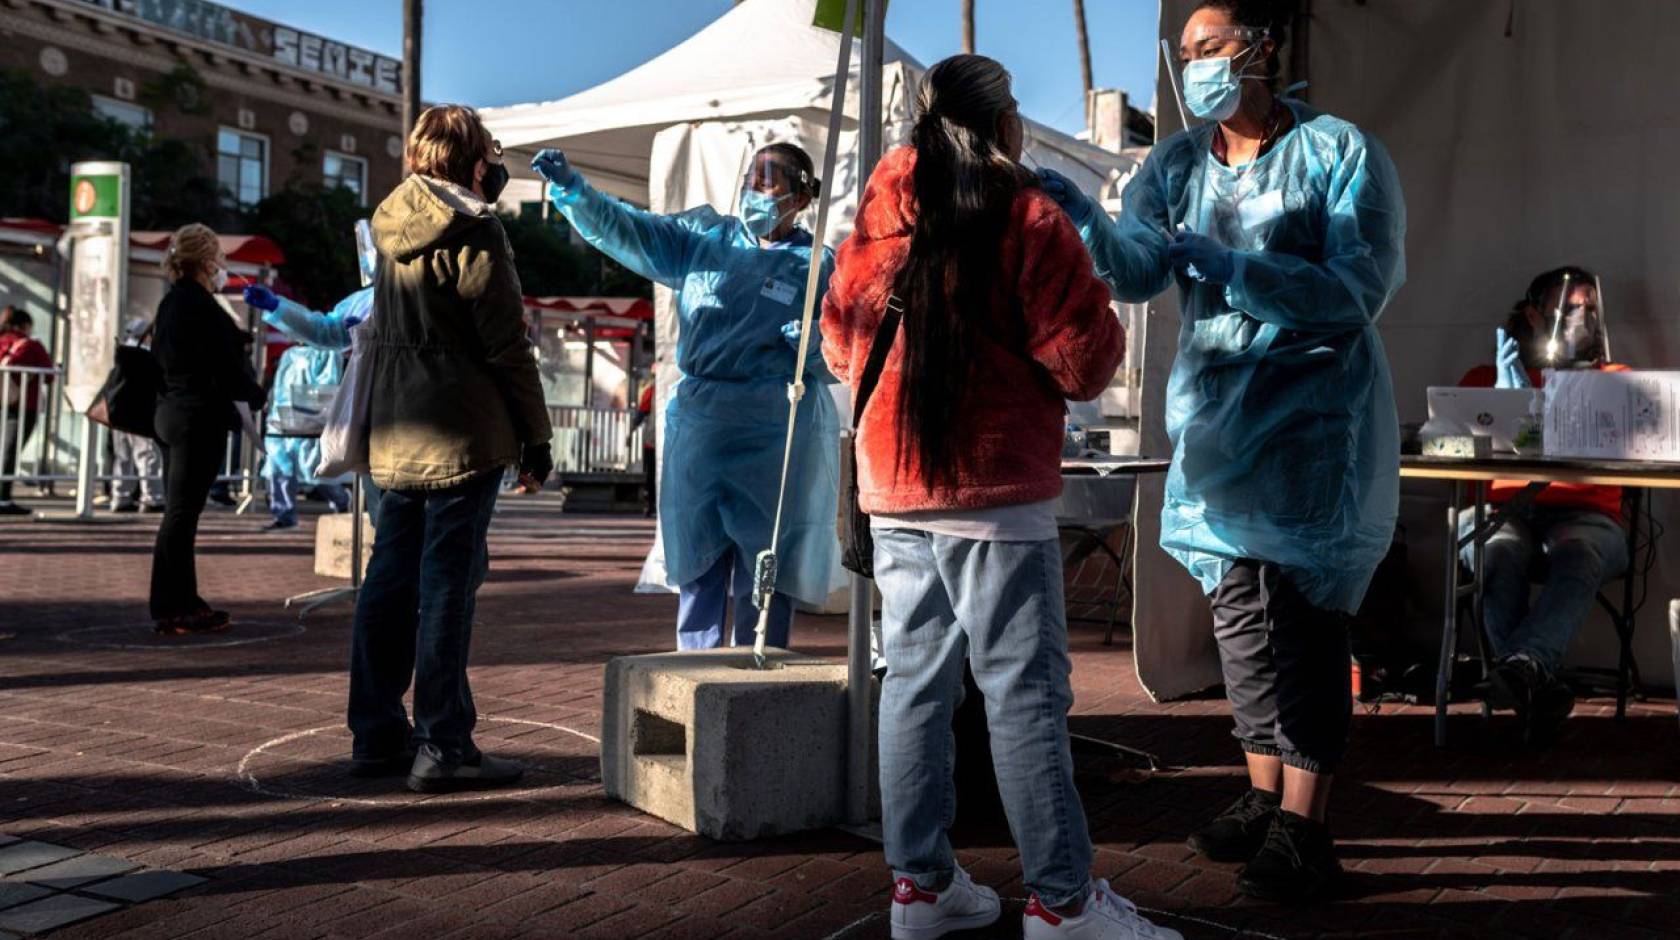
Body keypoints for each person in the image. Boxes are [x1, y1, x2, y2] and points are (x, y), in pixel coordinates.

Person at [1039, 0, 1406, 903]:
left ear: (1260, 48)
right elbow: (1137, 270)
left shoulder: (1338, 152)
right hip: (1216, 427)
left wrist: (1241, 267)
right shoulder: (1174, 164)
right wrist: (1087, 215)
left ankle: (1306, 826)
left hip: (1312, 425)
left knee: (1307, 623)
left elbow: (1360, 284)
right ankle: (1262, 792)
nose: (1192, 63)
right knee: (1238, 617)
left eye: (1208, 46)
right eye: (1184, 51)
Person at [824, 55, 1175, 940]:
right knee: (1022, 697)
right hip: (994, 490)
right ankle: (1062, 902)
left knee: (912, 685)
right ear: (1005, 122)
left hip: (895, 486)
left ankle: (921, 889)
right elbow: (1084, 361)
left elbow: (839, 345)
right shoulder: (1029, 217)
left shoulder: (877, 215)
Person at [532, 139, 842, 652]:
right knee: (699, 562)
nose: (755, 192)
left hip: (777, 429)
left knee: (764, 568)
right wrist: (574, 191)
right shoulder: (705, 240)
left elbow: (850, 341)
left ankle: (759, 673)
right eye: (751, 180)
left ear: (801, 197)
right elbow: (631, 229)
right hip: (703, 423)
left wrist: (812, 347)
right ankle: (694, 673)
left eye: (770, 183)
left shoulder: (816, 267)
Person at [349, 105, 552, 793]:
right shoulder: (476, 230)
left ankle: (375, 733)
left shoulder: (388, 224)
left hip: (396, 429)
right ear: (471, 161)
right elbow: (506, 346)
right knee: (446, 589)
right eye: (490, 153)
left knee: (388, 582)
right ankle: (444, 743)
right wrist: (538, 436)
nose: (495, 164)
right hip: (464, 432)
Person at [1459, 267, 1629, 743]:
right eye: (1570, 310)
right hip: (1504, 511)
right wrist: (1507, 399)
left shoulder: (1616, 380)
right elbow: (1450, 442)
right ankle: (1535, 681)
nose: (1584, 319)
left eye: (1591, 309)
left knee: (1579, 553)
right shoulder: (1484, 375)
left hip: (1589, 517)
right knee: (1496, 551)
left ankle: (1523, 668)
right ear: (1535, 316)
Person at [148, 224, 268, 634]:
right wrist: (257, 395)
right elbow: (227, 366)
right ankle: (171, 606)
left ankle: (183, 600)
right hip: (197, 417)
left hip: (169, 413)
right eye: (219, 257)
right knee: (181, 514)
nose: (223, 266)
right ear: (207, 262)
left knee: (180, 512)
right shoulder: (200, 305)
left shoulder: (170, 304)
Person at [242, 286, 367, 530]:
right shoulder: (291, 355)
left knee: (318, 470)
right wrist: (277, 308)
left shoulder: (327, 355)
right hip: (284, 419)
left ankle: (341, 500)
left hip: (315, 419)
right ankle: (284, 515)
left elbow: (329, 347)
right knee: (278, 467)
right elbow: (322, 329)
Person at [106, 319, 165, 513]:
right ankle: (152, 497)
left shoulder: (120, 352)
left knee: (122, 456)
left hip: (119, 411)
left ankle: (120, 496)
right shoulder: (146, 354)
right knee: (147, 455)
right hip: (141, 411)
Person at [0, 306, 53, 515]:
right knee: (10, 452)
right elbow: (49, 375)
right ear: (25, 325)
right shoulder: (30, 345)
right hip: (23, 405)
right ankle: (3, 498)